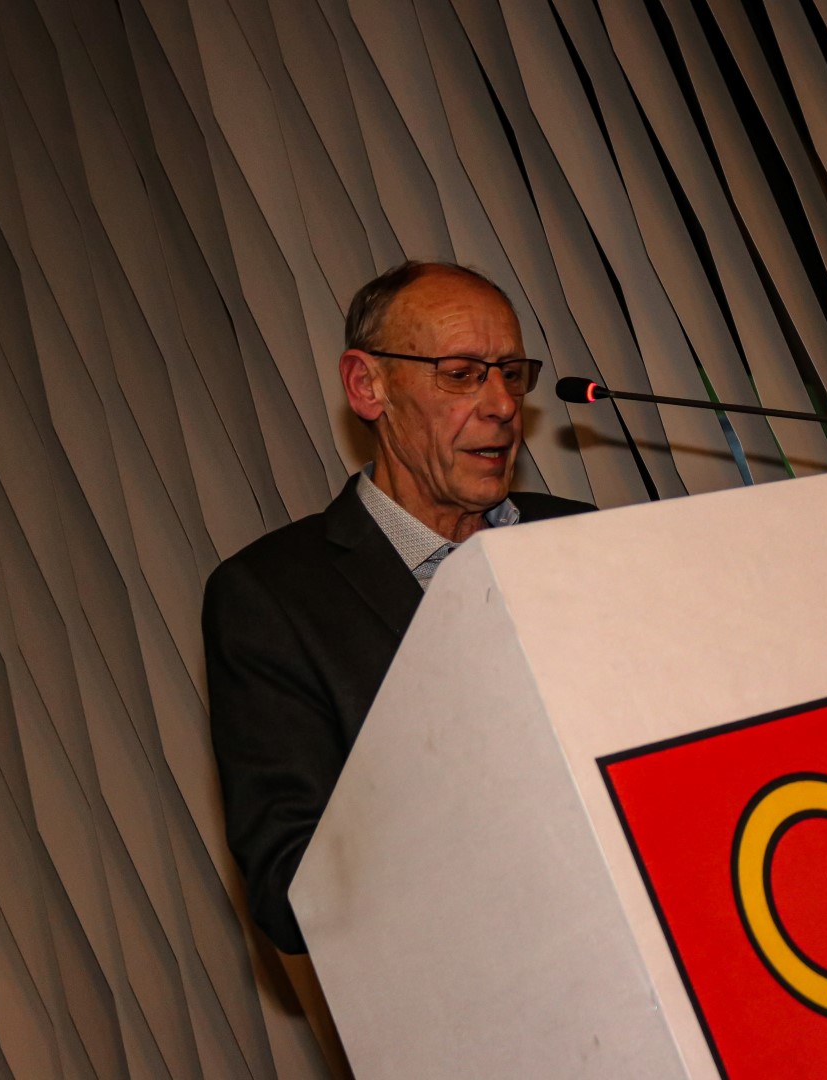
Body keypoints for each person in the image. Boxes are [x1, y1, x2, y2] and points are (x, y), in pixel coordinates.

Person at [203, 262, 594, 953]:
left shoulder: (586, 538)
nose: (502, 405)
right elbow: (292, 895)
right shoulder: (274, 598)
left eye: (511, 374)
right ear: (367, 386)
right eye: (461, 374)